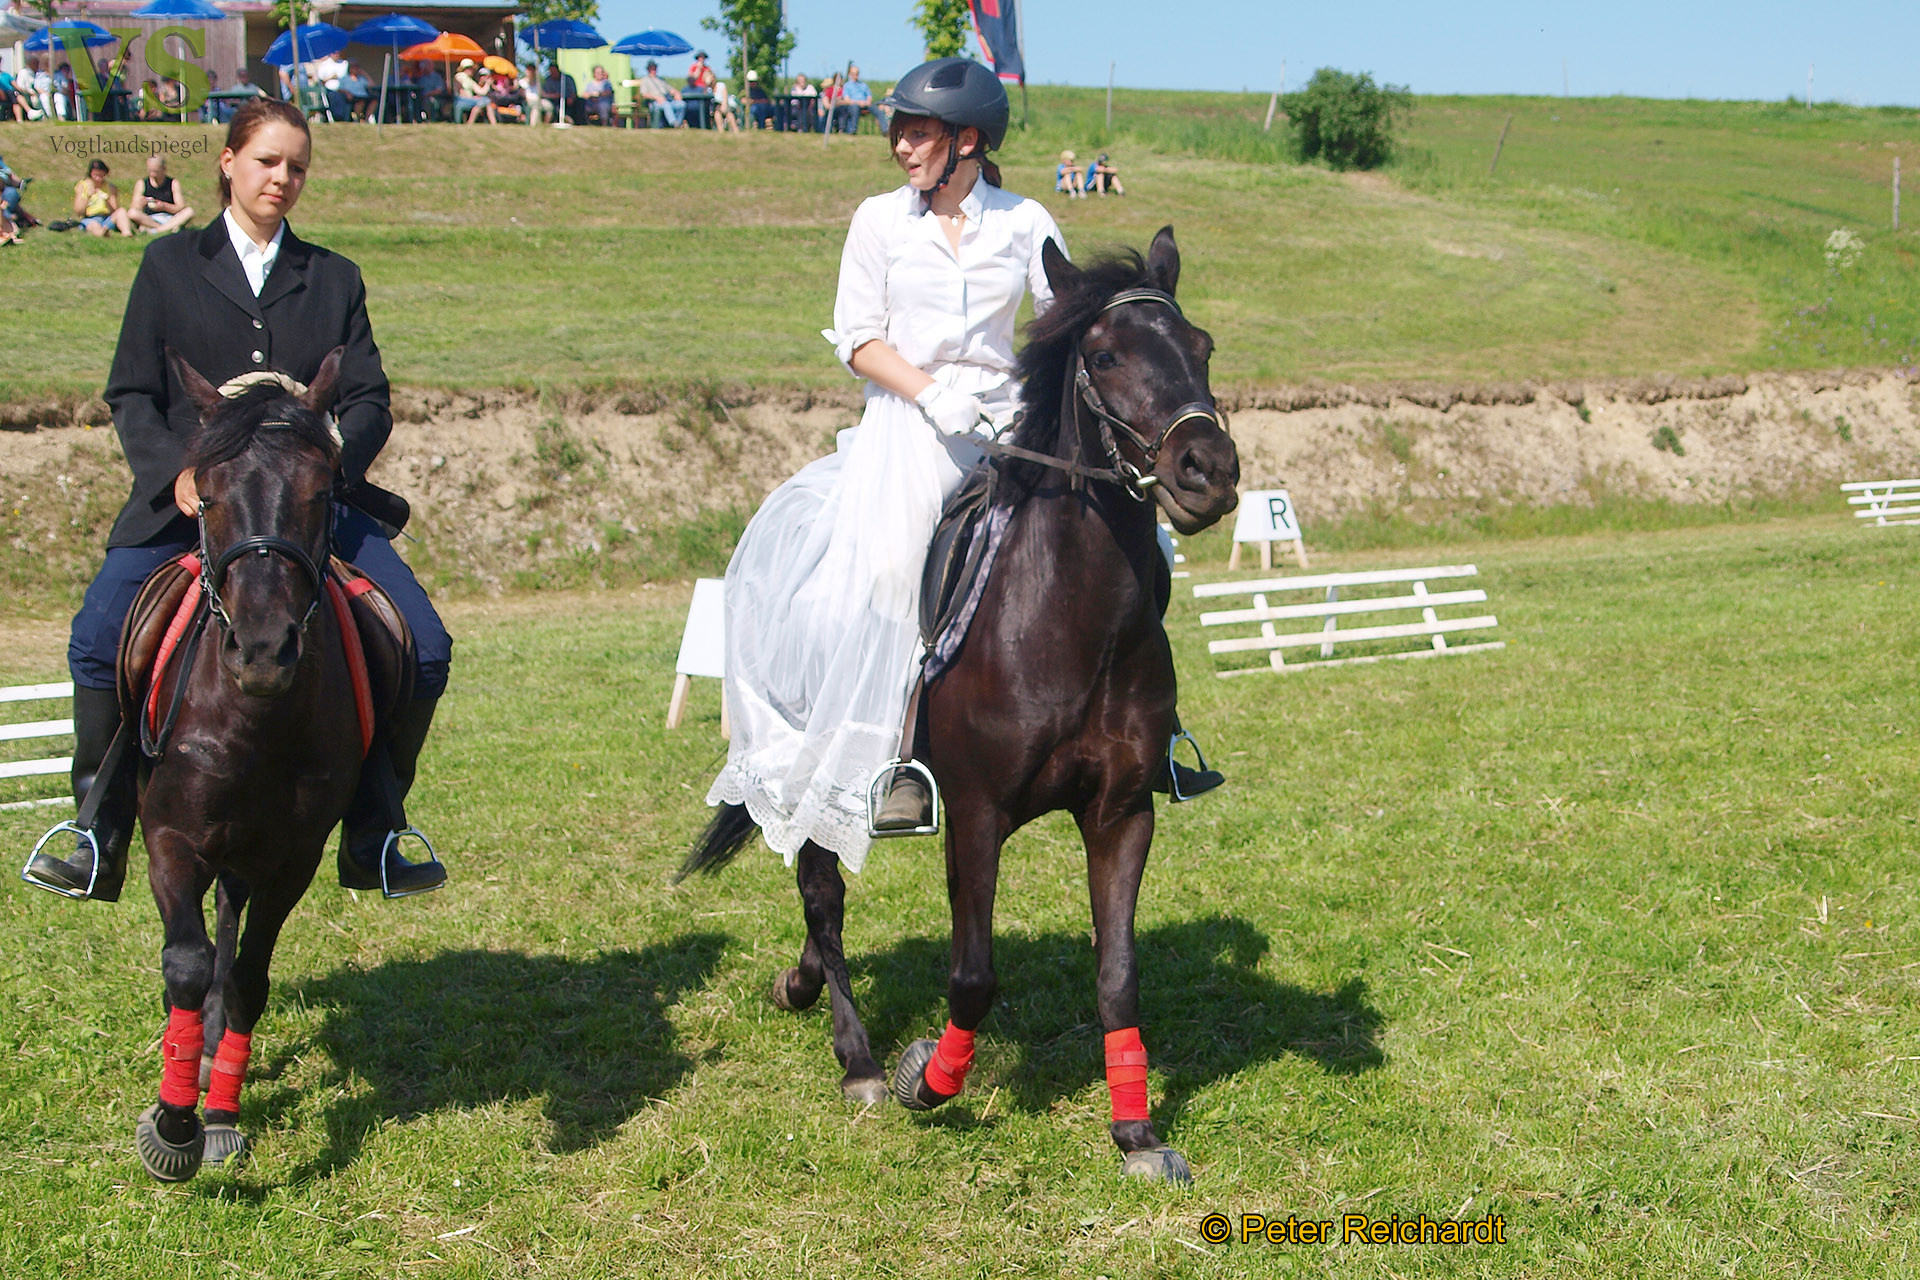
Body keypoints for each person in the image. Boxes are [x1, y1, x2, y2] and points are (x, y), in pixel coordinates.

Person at [25, 97, 452, 904]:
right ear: (227, 162)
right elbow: (131, 394)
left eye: (296, 167)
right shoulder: (167, 267)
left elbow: (368, 401)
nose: (281, 179)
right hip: (193, 503)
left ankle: (376, 827)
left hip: (304, 510)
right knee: (93, 640)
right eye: (266, 161)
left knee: (424, 647)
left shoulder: (333, 277)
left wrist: (330, 462)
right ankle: (97, 829)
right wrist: (174, 475)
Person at [706, 57, 1065, 864]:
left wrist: (1029, 400)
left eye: (918, 132)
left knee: (1117, 538)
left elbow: (1063, 321)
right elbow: (860, 338)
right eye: (898, 133)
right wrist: (933, 395)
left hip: (1013, 422)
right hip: (913, 424)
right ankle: (902, 757)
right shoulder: (879, 221)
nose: (902, 147)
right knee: (899, 567)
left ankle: (1151, 722)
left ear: (967, 140)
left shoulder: (1026, 221)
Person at [129, 154, 195, 235]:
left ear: (164, 169)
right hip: (150, 219)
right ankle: (165, 228)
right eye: (150, 171)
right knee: (132, 213)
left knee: (189, 211)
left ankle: (157, 230)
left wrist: (164, 206)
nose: (152, 174)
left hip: (170, 218)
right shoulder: (142, 183)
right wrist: (141, 204)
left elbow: (180, 207)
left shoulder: (173, 183)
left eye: (156, 172)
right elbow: (134, 207)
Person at [73, 160, 134, 237]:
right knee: (93, 225)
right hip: (91, 218)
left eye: (101, 176)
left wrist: (107, 200)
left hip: (106, 217)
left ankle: (127, 233)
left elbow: (115, 209)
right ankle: (102, 233)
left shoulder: (110, 187)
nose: (98, 179)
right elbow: (78, 211)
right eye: (96, 175)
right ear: (91, 174)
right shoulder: (83, 186)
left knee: (122, 211)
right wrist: (88, 196)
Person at [637, 59, 683, 128]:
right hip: (654, 102)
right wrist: (657, 98)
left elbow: (670, 89)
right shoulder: (645, 80)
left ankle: (679, 122)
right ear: (648, 69)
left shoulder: (661, 79)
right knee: (666, 105)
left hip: (667, 100)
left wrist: (677, 93)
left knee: (681, 104)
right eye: (652, 68)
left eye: (655, 68)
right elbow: (644, 94)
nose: (654, 70)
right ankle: (674, 123)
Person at [453, 59, 487, 124]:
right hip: (461, 99)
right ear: (466, 69)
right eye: (471, 68)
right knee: (484, 101)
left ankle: (470, 122)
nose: (473, 71)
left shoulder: (470, 80)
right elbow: (461, 91)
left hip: (469, 100)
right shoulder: (459, 76)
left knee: (484, 101)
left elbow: (481, 92)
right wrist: (472, 97)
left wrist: (487, 84)